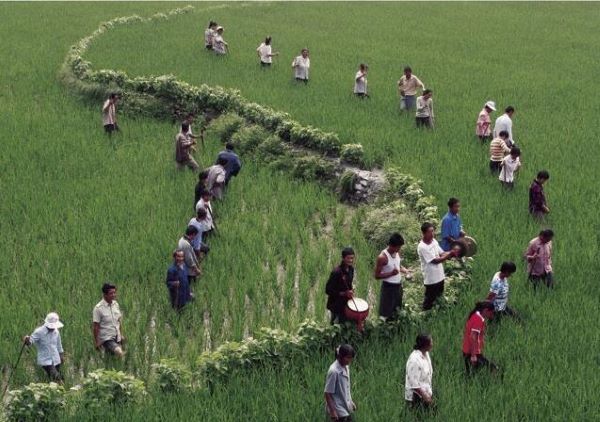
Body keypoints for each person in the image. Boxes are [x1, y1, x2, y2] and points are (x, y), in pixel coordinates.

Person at [418, 222, 457, 310]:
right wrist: (449, 254)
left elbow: (442, 253)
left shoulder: (434, 241)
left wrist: (452, 253)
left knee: (439, 296)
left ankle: (438, 312)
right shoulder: (422, 247)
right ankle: (425, 315)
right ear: (424, 233)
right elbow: (435, 261)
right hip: (431, 279)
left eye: (433, 231)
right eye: (430, 232)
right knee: (429, 300)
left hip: (440, 276)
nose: (432, 234)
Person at [374, 233, 411, 321]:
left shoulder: (397, 252)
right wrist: (391, 273)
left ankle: (394, 328)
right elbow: (376, 275)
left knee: (397, 310)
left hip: (398, 286)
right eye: (398, 247)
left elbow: (398, 265)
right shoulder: (382, 257)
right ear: (391, 245)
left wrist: (405, 270)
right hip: (388, 288)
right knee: (385, 312)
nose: (399, 249)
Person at [23, 312, 64, 382]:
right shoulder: (39, 332)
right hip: (46, 360)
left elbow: (59, 345)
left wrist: (61, 356)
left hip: (56, 359)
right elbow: (30, 342)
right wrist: (26, 340)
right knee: (57, 378)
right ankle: (63, 390)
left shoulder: (56, 331)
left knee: (58, 378)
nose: (53, 328)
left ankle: (54, 391)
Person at [462, 301, 499, 375]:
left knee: (472, 373)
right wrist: (473, 356)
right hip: (471, 352)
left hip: (470, 351)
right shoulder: (478, 319)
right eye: (491, 313)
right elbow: (473, 337)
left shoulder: (475, 315)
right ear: (486, 310)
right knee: (493, 368)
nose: (492, 315)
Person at [324, 344, 356, 421]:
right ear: (340, 356)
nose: (349, 360)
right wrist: (333, 411)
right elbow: (327, 393)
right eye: (347, 358)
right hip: (338, 408)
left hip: (345, 405)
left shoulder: (346, 367)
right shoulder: (334, 371)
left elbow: (346, 388)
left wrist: (350, 402)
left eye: (351, 358)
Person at [93, 283, 125, 358]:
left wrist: (121, 334)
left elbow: (119, 321)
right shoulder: (98, 308)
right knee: (119, 352)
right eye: (111, 293)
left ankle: (108, 365)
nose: (114, 295)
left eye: (114, 292)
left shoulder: (116, 304)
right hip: (107, 338)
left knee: (110, 357)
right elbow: (96, 327)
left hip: (117, 335)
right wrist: (97, 342)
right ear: (105, 295)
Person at [325, 248, 355, 325]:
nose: (350, 260)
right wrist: (344, 293)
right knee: (335, 326)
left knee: (344, 323)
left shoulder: (351, 269)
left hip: (346, 303)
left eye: (352, 258)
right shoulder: (336, 272)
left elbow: (349, 284)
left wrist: (351, 291)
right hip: (336, 304)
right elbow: (328, 290)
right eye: (348, 258)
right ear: (343, 258)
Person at [405, 333, 434, 410]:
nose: (432, 344)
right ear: (425, 345)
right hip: (416, 397)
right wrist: (426, 397)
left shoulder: (426, 354)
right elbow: (414, 384)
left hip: (426, 393)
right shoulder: (414, 360)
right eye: (431, 342)